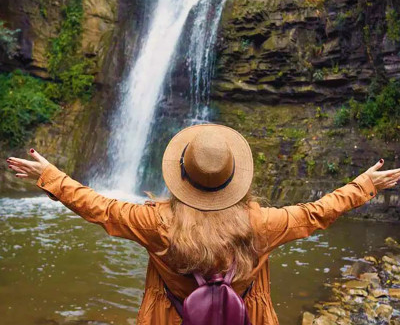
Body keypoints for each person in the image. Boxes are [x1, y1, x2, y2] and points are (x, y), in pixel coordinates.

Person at [5, 123, 400, 325]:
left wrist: (51, 175)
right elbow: (317, 213)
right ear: (234, 178)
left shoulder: (156, 221)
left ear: (182, 176)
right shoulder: (261, 223)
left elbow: (100, 207)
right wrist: (364, 185)